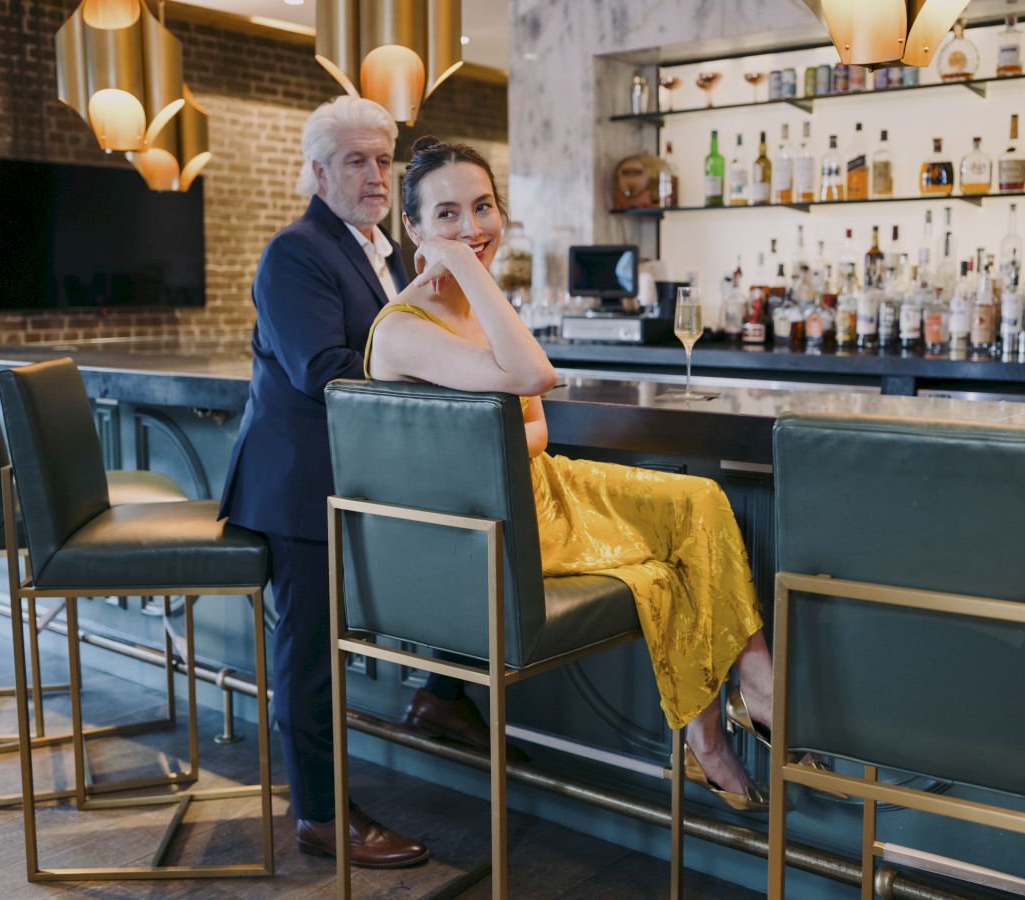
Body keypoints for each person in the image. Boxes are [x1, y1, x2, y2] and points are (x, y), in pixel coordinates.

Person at [364, 136, 777, 809]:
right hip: (497, 529)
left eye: (484, 207)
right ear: (410, 227)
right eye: (447, 215)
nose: (472, 228)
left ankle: (752, 682)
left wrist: (475, 292)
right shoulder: (406, 328)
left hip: (543, 486)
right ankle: (710, 731)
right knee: (661, 569)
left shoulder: (479, 313)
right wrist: (469, 271)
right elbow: (535, 377)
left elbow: (537, 427)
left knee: (699, 499)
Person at [219, 96, 434, 867]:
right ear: (317, 172)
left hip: (364, 484)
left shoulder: (389, 252)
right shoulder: (296, 251)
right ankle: (317, 816)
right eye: (357, 161)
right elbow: (322, 372)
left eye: (385, 160)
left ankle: (441, 698)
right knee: (309, 658)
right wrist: (441, 369)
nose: (378, 176)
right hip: (300, 489)